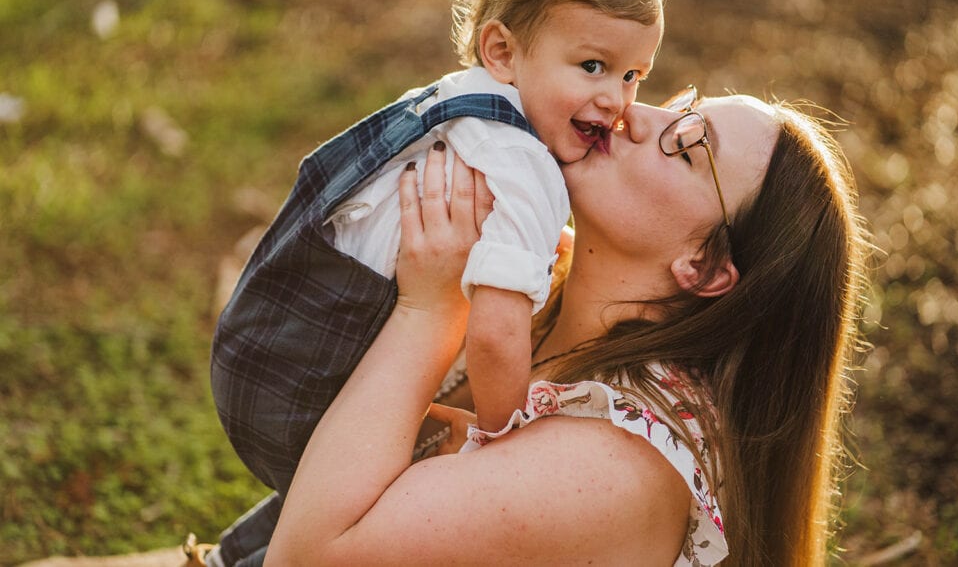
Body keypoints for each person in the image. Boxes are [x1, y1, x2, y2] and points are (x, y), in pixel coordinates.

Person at [206, 0, 667, 567]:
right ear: (502, 49)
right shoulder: (527, 166)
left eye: (633, 75)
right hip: (318, 368)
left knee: (342, 479)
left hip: (260, 339)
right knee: (407, 472)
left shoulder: (449, 102)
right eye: (592, 66)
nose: (617, 101)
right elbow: (495, 330)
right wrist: (504, 438)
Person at [254, 90, 871, 566]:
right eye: (681, 102)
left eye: (687, 142)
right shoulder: (540, 280)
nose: (635, 112)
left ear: (705, 267)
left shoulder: (613, 465)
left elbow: (301, 559)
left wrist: (430, 310)